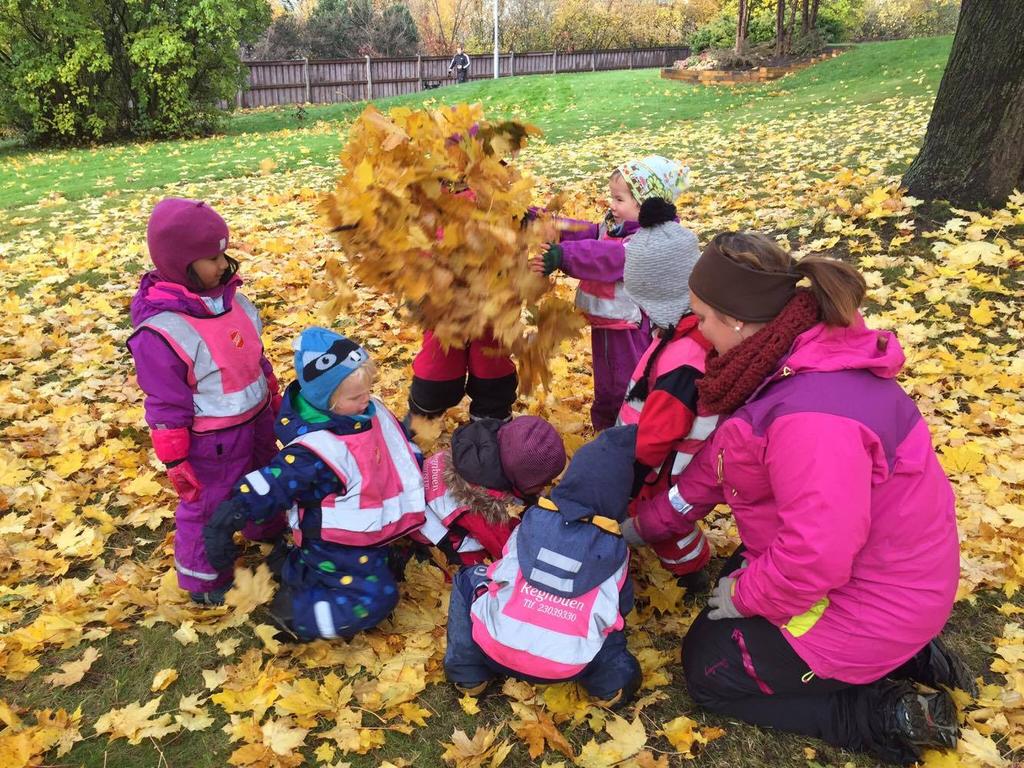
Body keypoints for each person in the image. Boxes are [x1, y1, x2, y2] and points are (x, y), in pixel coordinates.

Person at [629, 232, 974, 765]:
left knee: (710, 670)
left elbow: (819, 551)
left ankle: (879, 711)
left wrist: (747, 599)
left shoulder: (809, 419)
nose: (695, 330)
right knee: (731, 588)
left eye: (701, 317)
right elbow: (722, 466)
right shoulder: (785, 363)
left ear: (737, 320)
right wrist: (649, 522)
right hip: (886, 575)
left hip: (867, 599)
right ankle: (901, 653)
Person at [202, 328, 426, 641]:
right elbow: (274, 483)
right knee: (378, 599)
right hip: (337, 544)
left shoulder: (362, 412)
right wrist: (230, 516)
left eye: (368, 390)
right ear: (327, 400)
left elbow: (392, 443)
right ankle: (299, 612)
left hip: (364, 534)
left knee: (385, 567)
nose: (367, 400)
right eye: (355, 397)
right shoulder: (317, 450)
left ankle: (295, 569)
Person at [127, 198, 285, 605]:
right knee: (208, 503)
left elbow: (254, 355)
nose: (222, 265)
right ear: (181, 263)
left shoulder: (234, 301)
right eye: (211, 258)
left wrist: (272, 394)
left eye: (222, 254)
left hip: (255, 421)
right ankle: (203, 578)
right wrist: (176, 459)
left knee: (267, 475)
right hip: (210, 439)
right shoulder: (163, 331)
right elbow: (165, 404)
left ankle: (264, 527)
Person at [444, 426, 642, 708]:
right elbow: (622, 608)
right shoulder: (617, 550)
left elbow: (503, 567)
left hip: (496, 644)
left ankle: (468, 674)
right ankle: (610, 687)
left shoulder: (532, 520)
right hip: (569, 663)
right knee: (607, 629)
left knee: (466, 578)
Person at [530, 156, 687, 431]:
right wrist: (541, 221)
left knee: (626, 386)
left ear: (647, 203)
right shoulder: (616, 227)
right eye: (611, 197)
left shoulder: (649, 242)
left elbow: (607, 256)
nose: (611, 205)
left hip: (631, 331)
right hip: (607, 326)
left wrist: (563, 257)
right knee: (606, 388)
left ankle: (629, 435)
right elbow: (586, 233)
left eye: (619, 199)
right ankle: (605, 434)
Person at [615, 197, 715, 590]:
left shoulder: (683, 359)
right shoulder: (679, 333)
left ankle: (692, 572)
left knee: (664, 523)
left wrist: (634, 470)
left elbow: (660, 431)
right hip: (657, 460)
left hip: (662, 468)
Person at [413, 416, 566, 566]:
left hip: (425, 503)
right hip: (439, 540)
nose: (548, 484)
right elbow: (506, 551)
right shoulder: (488, 509)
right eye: (542, 482)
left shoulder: (477, 454)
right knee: (482, 565)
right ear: (520, 476)